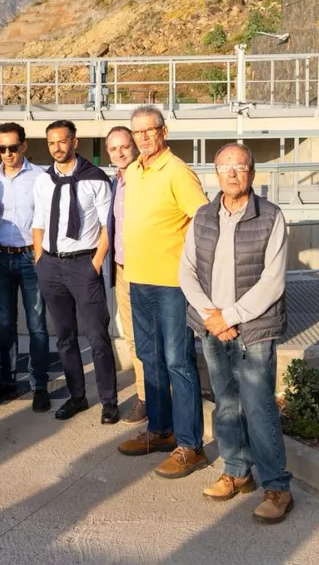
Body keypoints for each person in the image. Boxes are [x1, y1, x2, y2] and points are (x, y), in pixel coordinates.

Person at [180, 143, 293, 523]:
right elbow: (187, 272)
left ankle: (277, 487)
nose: (232, 173)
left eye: (240, 167)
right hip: (213, 328)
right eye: (225, 167)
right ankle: (236, 471)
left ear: (252, 173)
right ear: (215, 174)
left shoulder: (271, 217)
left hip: (253, 330)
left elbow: (272, 282)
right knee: (226, 404)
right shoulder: (203, 216)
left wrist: (230, 316)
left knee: (259, 407)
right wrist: (211, 317)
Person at [117, 106, 210, 480]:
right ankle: (160, 430)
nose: (142, 138)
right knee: (149, 357)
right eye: (136, 132)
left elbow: (203, 222)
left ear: (164, 131)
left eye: (148, 131)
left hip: (172, 284)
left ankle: (190, 446)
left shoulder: (177, 172)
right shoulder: (135, 171)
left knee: (178, 363)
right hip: (138, 281)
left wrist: (189, 269)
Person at [32, 120, 119, 424]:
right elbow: (39, 222)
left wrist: (96, 262)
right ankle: (77, 396)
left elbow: (110, 225)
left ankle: (109, 400)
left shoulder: (95, 179)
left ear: (74, 142)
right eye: (51, 142)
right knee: (65, 337)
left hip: (84, 263)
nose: (57, 147)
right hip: (51, 265)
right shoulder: (43, 181)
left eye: (62, 141)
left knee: (97, 336)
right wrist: (39, 258)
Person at [0, 121, 50, 412]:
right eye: (2, 148)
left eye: (12, 147)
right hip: (0, 257)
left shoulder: (40, 176)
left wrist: (41, 255)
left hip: (30, 258)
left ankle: (40, 385)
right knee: (5, 324)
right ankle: (7, 380)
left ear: (23, 145)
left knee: (37, 325)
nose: (7, 153)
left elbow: (47, 217)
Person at [105, 126, 147, 426]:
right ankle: (146, 397)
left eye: (124, 147)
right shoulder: (115, 182)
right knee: (133, 339)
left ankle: (156, 399)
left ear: (134, 146)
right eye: (113, 148)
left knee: (152, 340)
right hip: (122, 270)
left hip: (148, 269)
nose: (119, 153)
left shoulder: (145, 179)